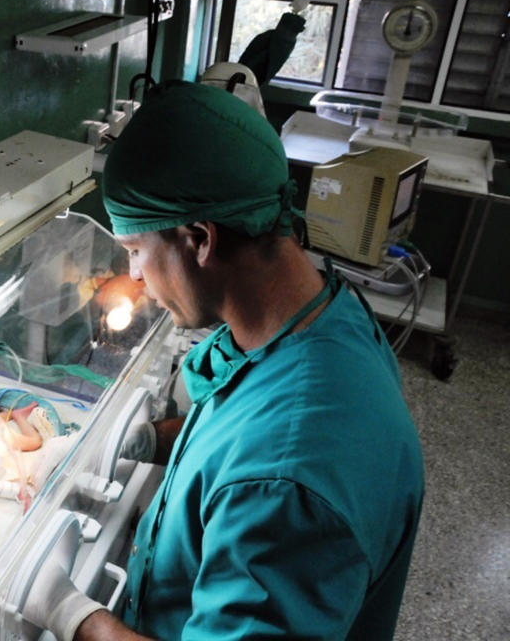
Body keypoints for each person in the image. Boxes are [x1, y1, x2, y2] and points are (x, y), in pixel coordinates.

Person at [21, 81, 424, 641]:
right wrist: (143, 440)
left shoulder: (286, 483)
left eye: (135, 251)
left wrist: (68, 611)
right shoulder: (322, 315)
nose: (133, 275)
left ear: (199, 239)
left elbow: (267, 463)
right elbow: (239, 426)